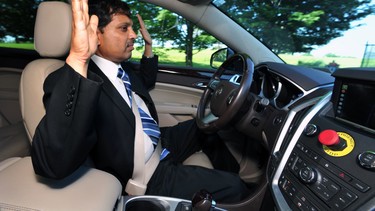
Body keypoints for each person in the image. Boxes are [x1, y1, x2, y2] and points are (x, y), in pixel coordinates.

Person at [31, 0, 249, 203]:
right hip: (145, 175)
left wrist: (148, 46)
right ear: (96, 34)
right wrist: (78, 60)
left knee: (206, 125)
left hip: (159, 143)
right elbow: (53, 162)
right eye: (124, 28)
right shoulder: (66, 80)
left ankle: (226, 175)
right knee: (236, 188)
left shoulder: (118, 68)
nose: (133, 34)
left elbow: (146, 80)